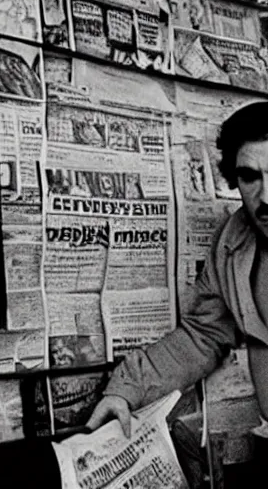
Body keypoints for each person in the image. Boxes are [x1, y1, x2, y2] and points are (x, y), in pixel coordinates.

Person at [85, 101, 268, 483]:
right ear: (235, 180)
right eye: (251, 177)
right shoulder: (233, 242)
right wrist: (125, 390)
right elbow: (204, 334)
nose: (266, 196)